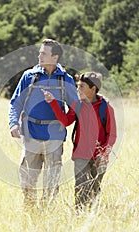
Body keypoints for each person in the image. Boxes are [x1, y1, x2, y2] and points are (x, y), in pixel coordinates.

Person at [9, 39, 79, 207]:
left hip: (54, 137)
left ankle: (45, 212)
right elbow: (16, 103)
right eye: (40, 52)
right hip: (31, 134)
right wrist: (13, 123)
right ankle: (30, 209)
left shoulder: (65, 80)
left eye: (43, 53)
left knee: (52, 181)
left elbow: (76, 107)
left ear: (55, 57)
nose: (39, 55)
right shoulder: (29, 76)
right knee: (26, 178)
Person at [42, 71, 117, 211]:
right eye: (78, 86)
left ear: (93, 89)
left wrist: (104, 154)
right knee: (80, 189)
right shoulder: (77, 104)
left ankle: (93, 217)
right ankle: (79, 217)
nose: (78, 89)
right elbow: (65, 121)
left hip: (100, 157)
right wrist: (53, 102)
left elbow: (112, 135)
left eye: (82, 86)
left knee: (94, 191)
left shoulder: (105, 107)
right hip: (81, 155)